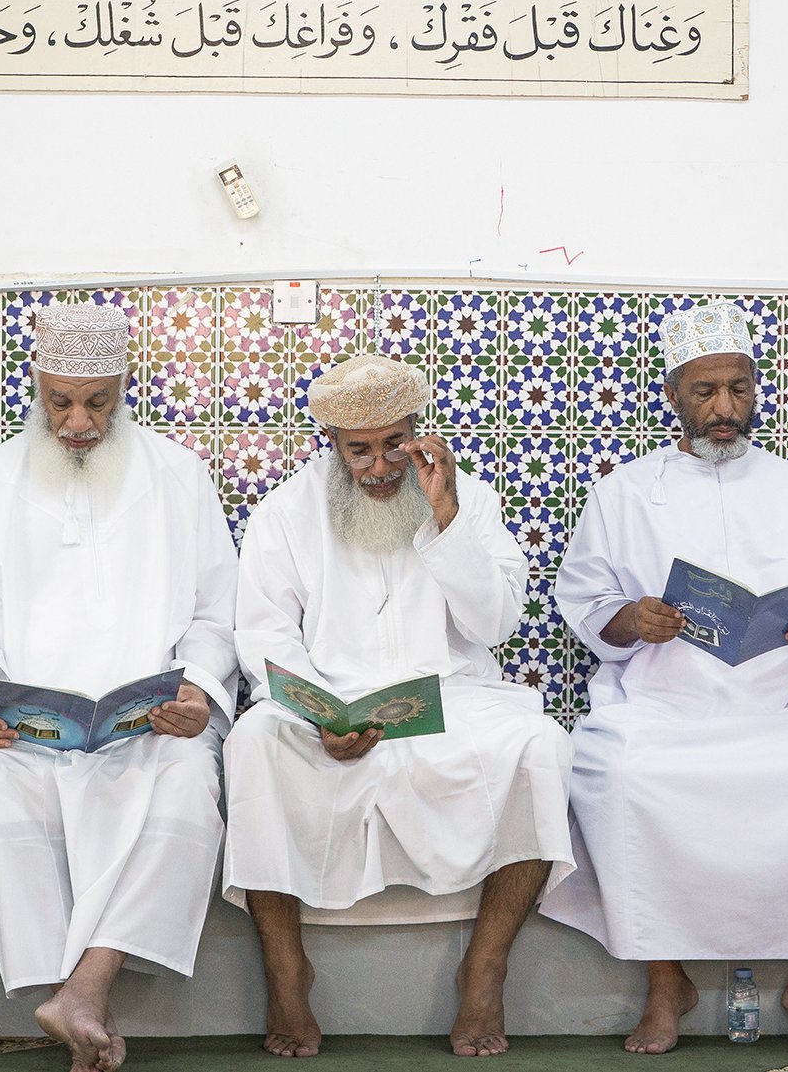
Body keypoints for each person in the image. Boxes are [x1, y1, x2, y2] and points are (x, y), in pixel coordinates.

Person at [539, 300, 788, 1055]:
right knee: (626, 774)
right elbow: (582, 599)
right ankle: (664, 979)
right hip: (664, 700)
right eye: (705, 392)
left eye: (738, 389)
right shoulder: (624, 493)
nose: (724, 408)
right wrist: (631, 620)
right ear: (672, 394)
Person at [222, 353, 574, 1059]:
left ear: (417, 430)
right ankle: (286, 971)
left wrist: (445, 522)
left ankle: (485, 967)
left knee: (540, 745)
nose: (380, 465)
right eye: (360, 450)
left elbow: (495, 623)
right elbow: (264, 634)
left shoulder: (464, 497)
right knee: (253, 741)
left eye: (394, 443)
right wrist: (316, 711)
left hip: (454, 696)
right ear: (331, 444)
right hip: (328, 707)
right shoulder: (286, 512)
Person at [0, 304, 239, 1072]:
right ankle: (72, 998)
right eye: (59, 400)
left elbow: (215, 611)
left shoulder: (179, 475)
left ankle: (85, 989)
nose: (77, 420)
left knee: (189, 789)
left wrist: (197, 692)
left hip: (149, 723)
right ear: (35, 384)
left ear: (124, 388)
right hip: (19, 724)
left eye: (97, 401)